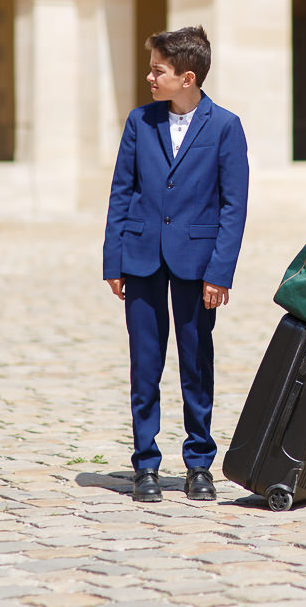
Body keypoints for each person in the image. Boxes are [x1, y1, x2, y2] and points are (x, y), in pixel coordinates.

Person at [103, 25, 249, 504]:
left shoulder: (225, 126)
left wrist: (219, 272)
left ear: (187, 77)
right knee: (144, 363)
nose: (149, 77)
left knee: (195, 362)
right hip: (141, 256)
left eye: (158, 70)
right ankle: (145, 463)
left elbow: (234, 205)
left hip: (197, 261)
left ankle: (199, 463)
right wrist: (113, 260)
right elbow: (121, 192)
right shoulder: (138, 122)